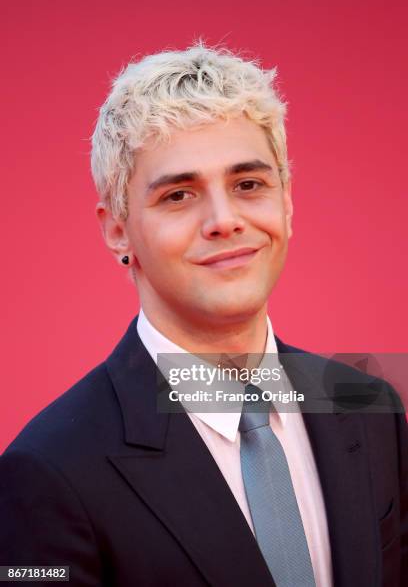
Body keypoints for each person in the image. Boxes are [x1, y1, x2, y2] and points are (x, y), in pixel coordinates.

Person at [0, 44, 406, 587]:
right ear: (117, 229)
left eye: (248, 184)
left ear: (285, 201)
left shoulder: (370, 409)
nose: (224, 220)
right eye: (178, 195)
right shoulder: (47, 471)